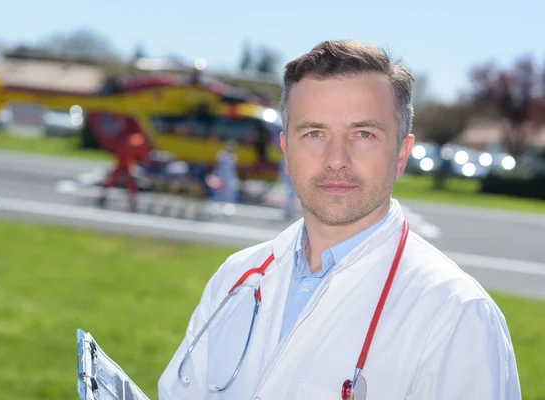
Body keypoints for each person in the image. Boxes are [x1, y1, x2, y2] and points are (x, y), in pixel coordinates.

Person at [158, 40, 521, 400]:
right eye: (314, 133)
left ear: (401, 153)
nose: (336, 158)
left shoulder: (457, 315)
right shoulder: (233, 279)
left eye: (363, 134)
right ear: (287, 152)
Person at [97, 131, 150, 213]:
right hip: (126, 160)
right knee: (129, 181)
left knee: (114, 178)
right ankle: (132, 201)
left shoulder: (136, 136)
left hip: (121, 157)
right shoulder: (141, 144)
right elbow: (144, 159)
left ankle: (103, 195)